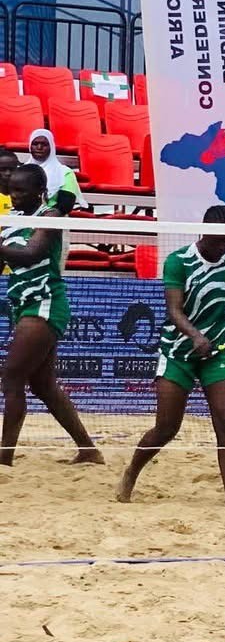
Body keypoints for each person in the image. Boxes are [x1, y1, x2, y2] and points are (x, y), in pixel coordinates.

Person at [116, 206, 225, 506]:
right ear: (204, 232)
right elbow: (174, 309)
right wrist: (195, 336)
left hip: (217, 353)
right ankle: (131, 472)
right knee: (166, 428)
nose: (223, 247)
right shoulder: (178, 261)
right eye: (218, 240)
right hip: (178, 352)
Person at [1, 163, 103, 468]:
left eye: (22, 190)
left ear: (40, 192)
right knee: (43, 385)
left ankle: (4, 456)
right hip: (22, 304)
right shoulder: (11, 220)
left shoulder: (50, 216)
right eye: (13, 190)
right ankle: (88, 450)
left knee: (12, 376)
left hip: (45, 303)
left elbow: (32, 253)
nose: (15, 195)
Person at [23, 130, 80, 216]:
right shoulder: (21, 170)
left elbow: (66, 205)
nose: (39, 147)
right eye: (35, 144)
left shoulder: (65, 172)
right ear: (30, 146)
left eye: (44, 144)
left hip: (53, 219)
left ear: (52, 147)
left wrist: (44, 218)